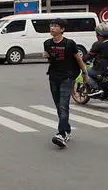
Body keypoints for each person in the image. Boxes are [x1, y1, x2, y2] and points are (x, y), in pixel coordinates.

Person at [42, 19, 87, 148]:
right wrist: (47, 56)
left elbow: (78, 58)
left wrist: (85, 73)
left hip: (67, 77)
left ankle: (61, 134)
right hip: (53, 77)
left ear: (62, 29)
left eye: (55, 26)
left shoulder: (70, 43)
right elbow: (52, 60)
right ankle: (66, 130)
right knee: (58, 105)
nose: (52, 28)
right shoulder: (47, 43)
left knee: (63, 106)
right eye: (51, 26)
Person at [83, 23, 108, 97]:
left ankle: (97, 89)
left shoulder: (98, 44)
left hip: (103, 68)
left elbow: (89, 56)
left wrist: (82, 59)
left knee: (86, 73)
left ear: (99, 34)